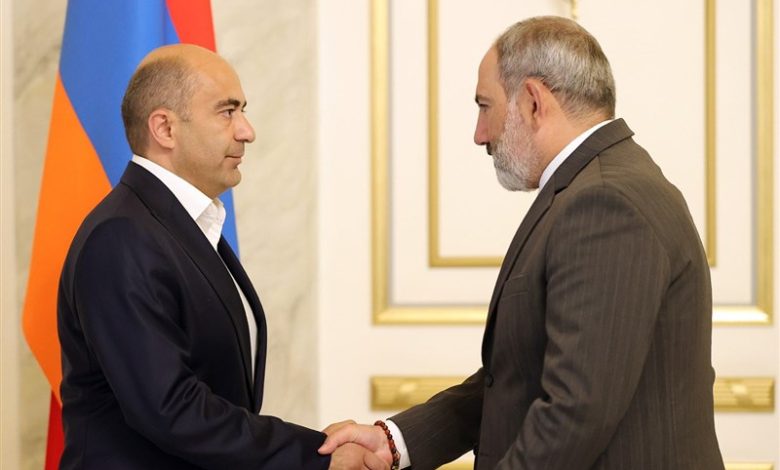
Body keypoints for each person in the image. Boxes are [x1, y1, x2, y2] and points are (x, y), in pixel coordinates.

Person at [319, 16, 724, 469]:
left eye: (485, 106)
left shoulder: (605, 203)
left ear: (532, 101)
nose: (480, 134)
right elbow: (518, 378)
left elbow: (573, 415)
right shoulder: (598, 187)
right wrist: (394, 441)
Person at [57, 44, 390, 470]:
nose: (247, 131)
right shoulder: (122, 237)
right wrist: (318, 457)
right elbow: (172, 408)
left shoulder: (177, 223)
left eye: (242, 111)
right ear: (165, 128)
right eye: (227, 111)